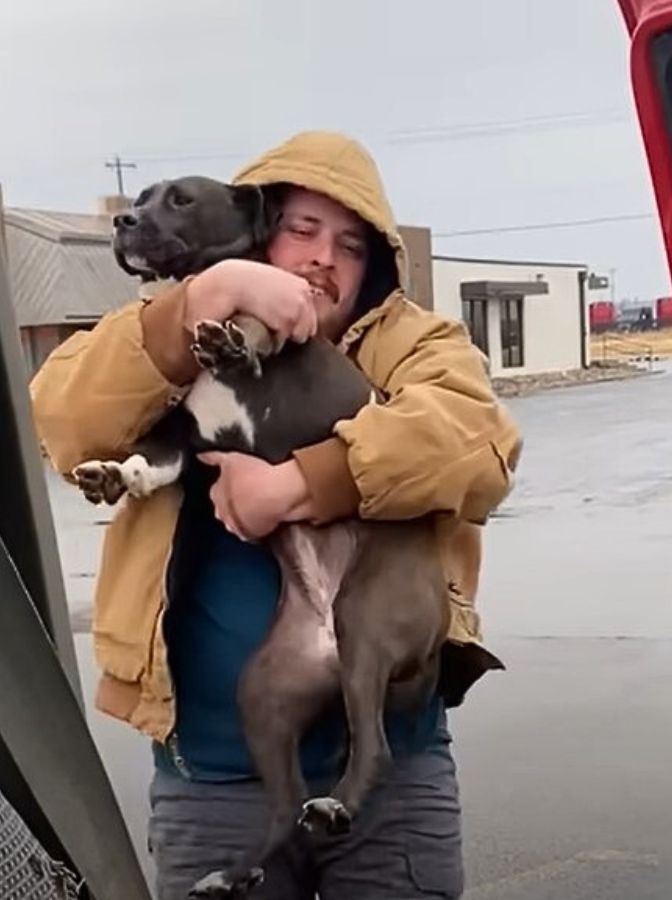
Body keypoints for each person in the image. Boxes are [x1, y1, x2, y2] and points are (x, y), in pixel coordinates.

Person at [31, 130, 522, 900]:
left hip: (394, 779)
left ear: (376, 267)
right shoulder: (167, 333)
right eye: (303, 230)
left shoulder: (415, 344)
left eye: (351, 244)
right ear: (256, 234)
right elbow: (62, 420)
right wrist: (197, 306)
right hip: (214, 783)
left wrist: (299, 484)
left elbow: (477, 448)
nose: (324, 256)